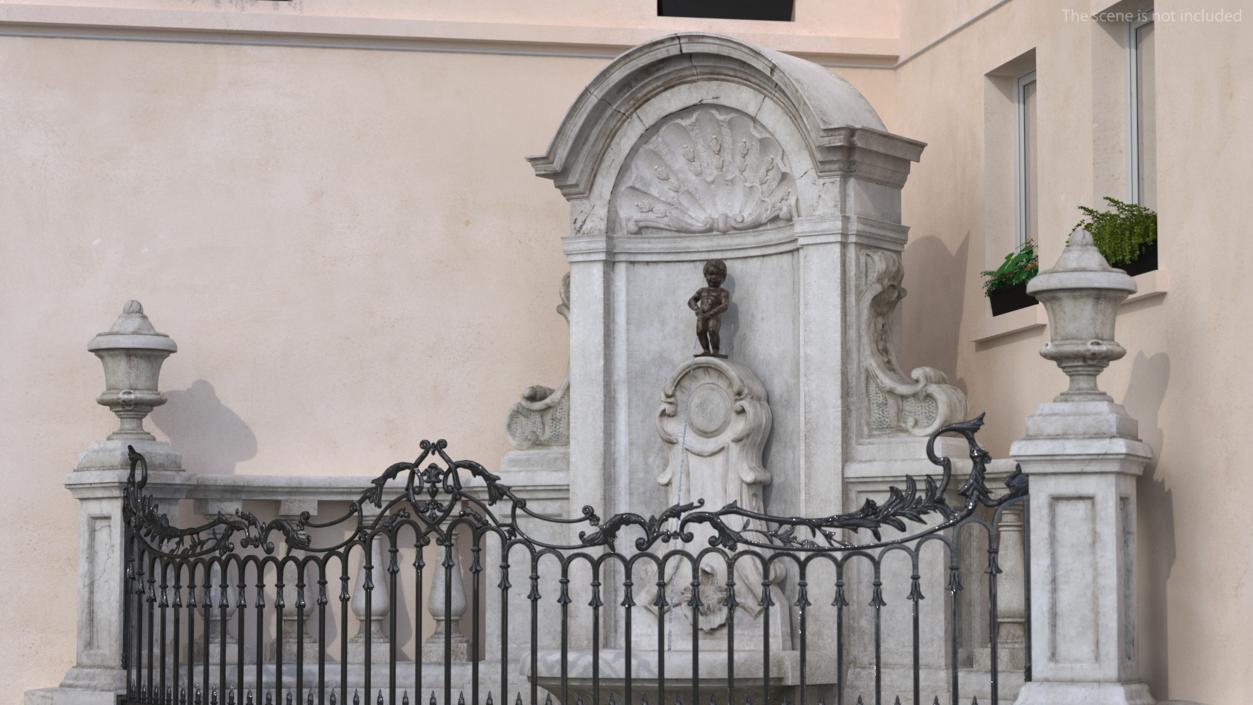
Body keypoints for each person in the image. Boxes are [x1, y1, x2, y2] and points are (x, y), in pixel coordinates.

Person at [687, 259, 730, 357]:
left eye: (717, 275)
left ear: (723, 277)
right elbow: (691, 300)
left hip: (714, 316)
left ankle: (715, 350)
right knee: (700, 331)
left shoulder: (723, 292)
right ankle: (706, 350)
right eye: (710, 274)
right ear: (705, 275)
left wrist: (710, 314)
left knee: (712, 330)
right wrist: (697, 309)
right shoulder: (702, 290)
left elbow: (725, 305)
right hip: (702, 315)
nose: (713, 278)